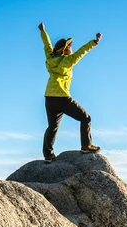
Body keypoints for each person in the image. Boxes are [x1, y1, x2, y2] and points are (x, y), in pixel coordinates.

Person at [38, 22, 102, 162]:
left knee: (52, 127)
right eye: (70, 46)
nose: (72, 47)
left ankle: (48, 154)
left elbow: (47, 45)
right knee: (86, 118)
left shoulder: (50, 58)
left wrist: (43, 31)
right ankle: (86, 145)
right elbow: (82, 52)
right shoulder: (68, 61)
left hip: (49, 97)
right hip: (62, 97)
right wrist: (95, 42)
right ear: (65, 50)